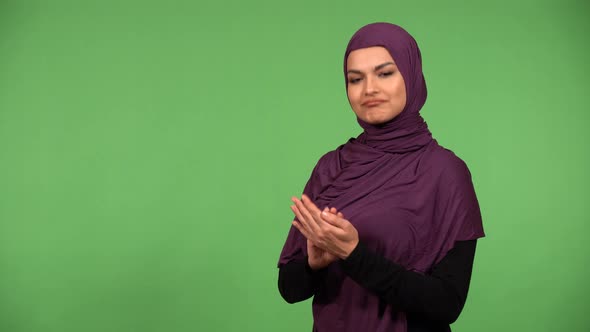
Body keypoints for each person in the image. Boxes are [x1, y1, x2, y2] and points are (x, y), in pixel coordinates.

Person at [276, 22, 485, 332]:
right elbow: (290, 289)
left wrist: (354, 255)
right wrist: (314, 265)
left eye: (385, 73)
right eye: (355, 79)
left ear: (411, 76)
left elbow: (447, 304)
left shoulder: (445, 172)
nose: (369, 89)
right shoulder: (331, 166)